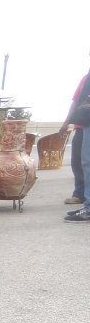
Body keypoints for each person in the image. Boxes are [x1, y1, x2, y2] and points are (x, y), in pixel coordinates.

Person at [62, 73, 90, 221]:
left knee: (87, 163)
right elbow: (77, 101)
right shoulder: (86, 78)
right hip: (84, 122)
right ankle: (85, 200)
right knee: (83, 163)